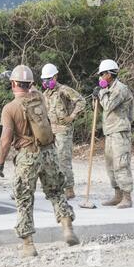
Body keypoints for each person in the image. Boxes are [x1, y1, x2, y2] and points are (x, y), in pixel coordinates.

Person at [0, 65, 79, 257]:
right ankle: (67, 228)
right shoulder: (40, 98)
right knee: (56, 191)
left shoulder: (10, 108)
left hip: (27, 155)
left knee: (24, 199)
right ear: (31, 83)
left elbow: (6, 139)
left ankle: (28, 245)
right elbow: (32, 90)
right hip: (49, 152)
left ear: (13, 84)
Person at [93, 59, 134, 209]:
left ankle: (127, 197)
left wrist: (102, 91)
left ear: (110, 74)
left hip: (120, 131)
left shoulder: (120, 89)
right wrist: (96, 96)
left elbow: (109, 105)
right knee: (110, 165)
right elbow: (100, 108)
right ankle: (117, 195)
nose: (101, 77)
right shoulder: (109, 89)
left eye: (102, 74)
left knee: (121, 164)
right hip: (110, 131)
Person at [41, 64, 86, 199]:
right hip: (51, 130)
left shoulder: (63, 90)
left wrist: (72, 116)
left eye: (49, 78)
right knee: (50, 160)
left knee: (63, 159)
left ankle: (69, 189)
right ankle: (56, 187)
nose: (46, 82)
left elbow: (81, 101)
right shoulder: (45, 95)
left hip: (63, 130)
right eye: (44, 79)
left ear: (55, 76)